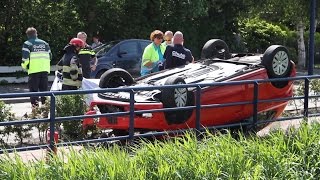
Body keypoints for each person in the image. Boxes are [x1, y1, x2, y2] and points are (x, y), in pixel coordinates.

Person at [21, 27, 52, 107]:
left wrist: (25, 66)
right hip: (44, 70)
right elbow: (50, 56)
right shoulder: (45, 43)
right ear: (36, 34)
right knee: (44, 92)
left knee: (34, 92)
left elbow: (25, 58)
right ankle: (45, 110)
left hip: (34, 71)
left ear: (27, 35)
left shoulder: (27, 44)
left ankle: (36, 112)